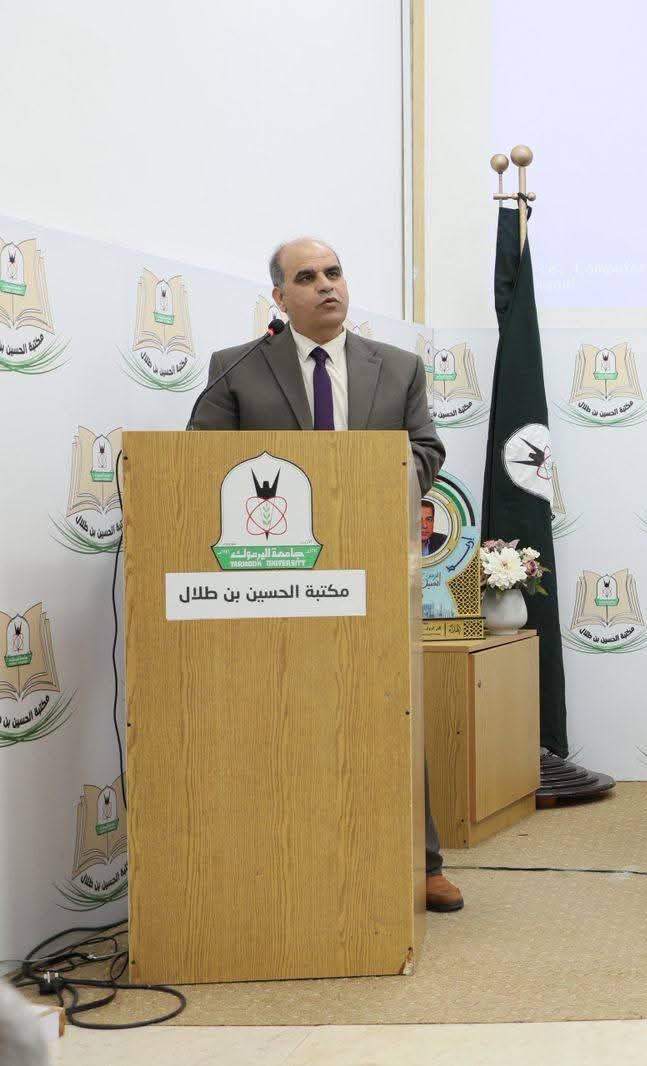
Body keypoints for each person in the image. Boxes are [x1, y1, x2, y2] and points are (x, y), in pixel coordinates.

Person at [188, 237, 462, 914]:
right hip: (271, 574)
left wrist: (369, 481)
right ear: (280, 298)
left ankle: (422, 861)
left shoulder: (397, 367)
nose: (326, 286)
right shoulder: (237, 367)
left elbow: (426, 449)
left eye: (334, 273)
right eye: (307, 277)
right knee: (286, 711)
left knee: (390, 707)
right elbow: (201, 460)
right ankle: (282, 857)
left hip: (373, 565)